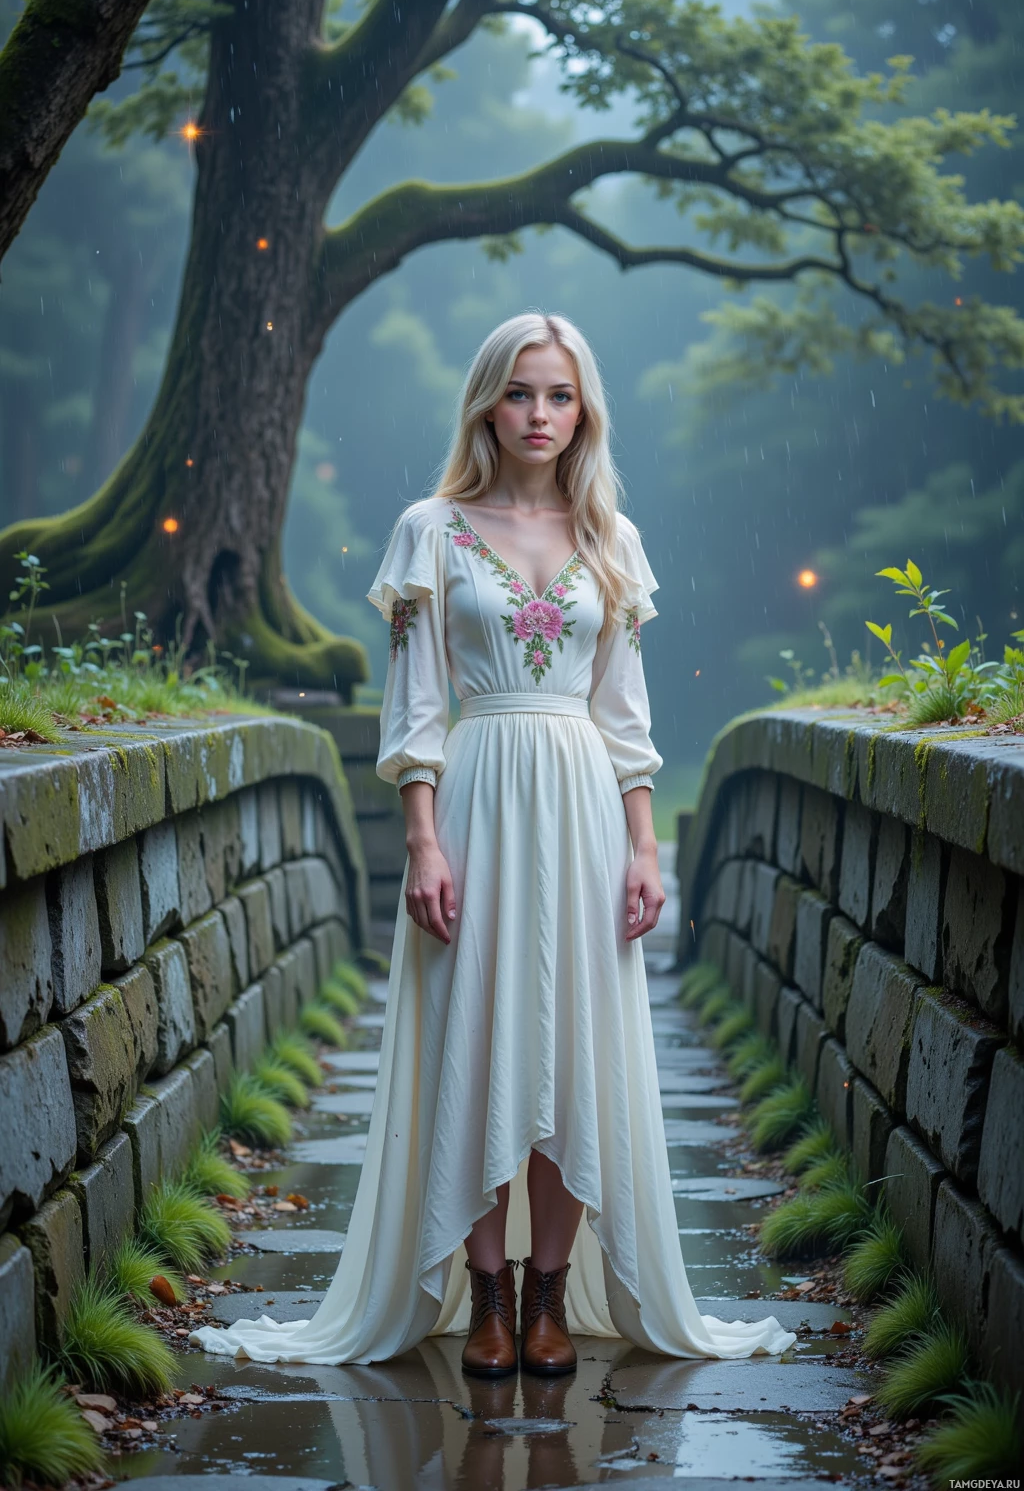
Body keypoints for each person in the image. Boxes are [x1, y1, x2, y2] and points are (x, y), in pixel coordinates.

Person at [190, 311, 796, 1372]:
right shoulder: (430, 527)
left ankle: (549, 1297)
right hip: (473, 799)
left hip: (582, 808)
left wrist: (645, 850)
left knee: (575, 1053)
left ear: (583, 410)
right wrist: (421, 840)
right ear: (486, 402)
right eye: (520, 392)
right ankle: (482, 1295)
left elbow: (625, 717)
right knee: (472, 1045)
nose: (540, 415)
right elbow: (415, 705)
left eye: (560, 395)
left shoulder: (614, 538)